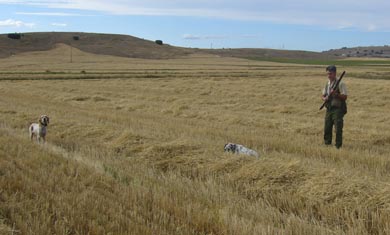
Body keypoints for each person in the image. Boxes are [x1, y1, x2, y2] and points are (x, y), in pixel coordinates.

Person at [322, 65, 348, 149]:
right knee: (327, 127)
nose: (329, 76)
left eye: (330, 74)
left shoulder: (341, 83)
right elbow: (323, 95)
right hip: (329, 108)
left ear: (335, 73)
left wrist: (336, 94)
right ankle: (327, 144)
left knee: (338, 128)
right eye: (328, 74)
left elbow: (344, 97)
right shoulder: (327, 83)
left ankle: (338, 146)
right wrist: (324, 98)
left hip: (338, 109)